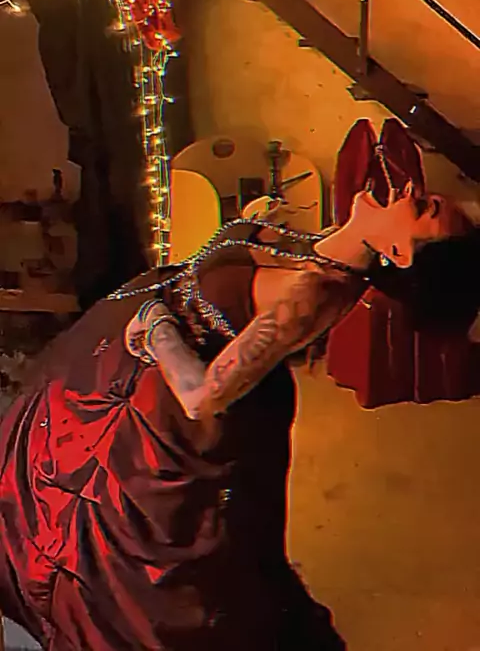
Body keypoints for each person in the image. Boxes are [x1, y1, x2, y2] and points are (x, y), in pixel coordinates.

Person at [0, 185, 444, 650]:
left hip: (148, 423)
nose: (409, 188)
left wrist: (157, 327)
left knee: (99, 566)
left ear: (398, 253)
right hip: (103, 383)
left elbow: (201, 397)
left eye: (422, 208)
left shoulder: (316, 293)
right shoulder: (329, 247)